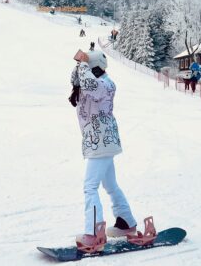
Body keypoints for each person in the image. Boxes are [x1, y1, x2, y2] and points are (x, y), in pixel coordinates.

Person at [69, 49, 137, 253]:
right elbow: (76, 78)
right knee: (110, 184)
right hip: (98, 142)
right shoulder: (90, 79)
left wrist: (83, 65)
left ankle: (94, 232)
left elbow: (92, 86)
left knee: (90, 187)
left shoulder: (106, 84)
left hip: (101, 142)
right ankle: (126, 222)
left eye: (88, 68)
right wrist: (79, 63)